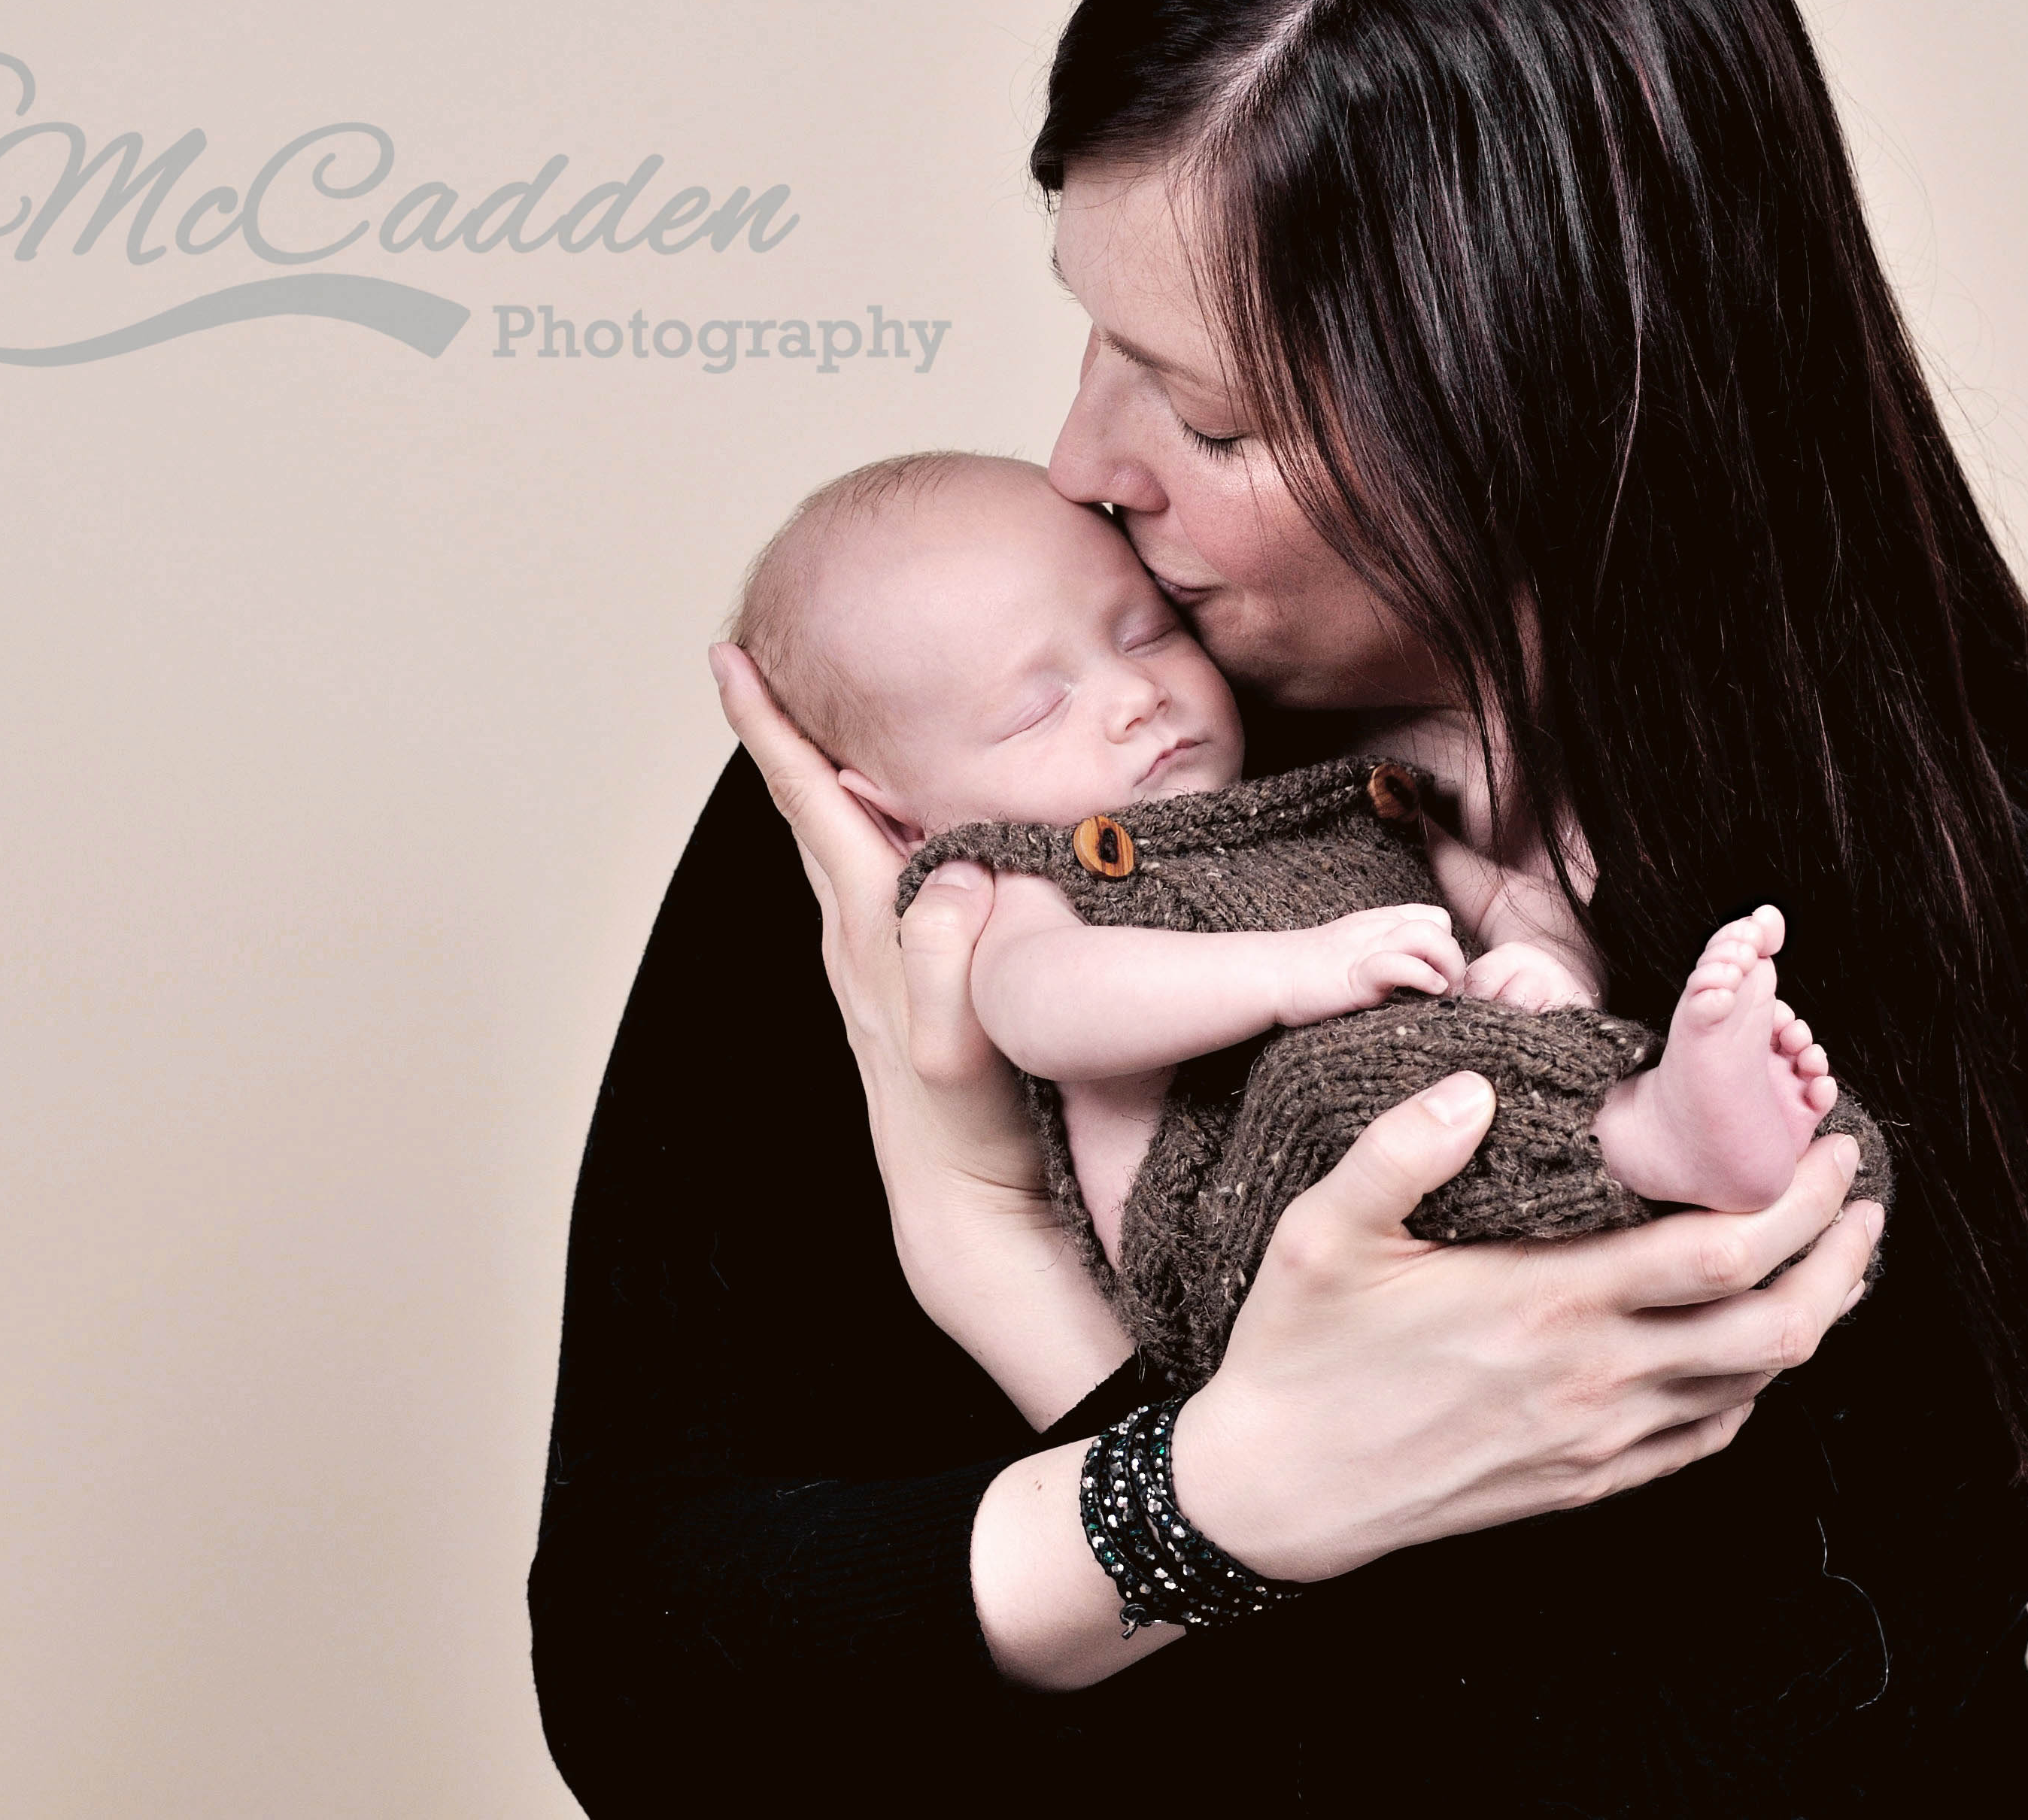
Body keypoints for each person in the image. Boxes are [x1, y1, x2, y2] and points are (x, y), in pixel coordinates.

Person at [532, 0, 2028, 1817]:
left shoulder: (1978, 926)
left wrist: (1028, 1286)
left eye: (1211, 417)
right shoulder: (984, 762)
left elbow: (1669, 1759)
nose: (1081, 465)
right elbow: (639, 1686)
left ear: (1549, 413)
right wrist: (1200, 1481)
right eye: (1092, 334)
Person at [722, 447, 1883, 1391]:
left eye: (1144, 634)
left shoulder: (1326, 798)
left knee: (1578, 1067)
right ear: (900, 816)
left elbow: (1487, 895)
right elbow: (1043, 1009)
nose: (1134, 698)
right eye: (1037, 709)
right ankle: (1654, 1141)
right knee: (1339, 1093)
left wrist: (1544, 954)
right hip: (1246, 1213)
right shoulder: (1025, 876)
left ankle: (1730, 1155)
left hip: (1450, 1103)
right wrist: (1291, 973)